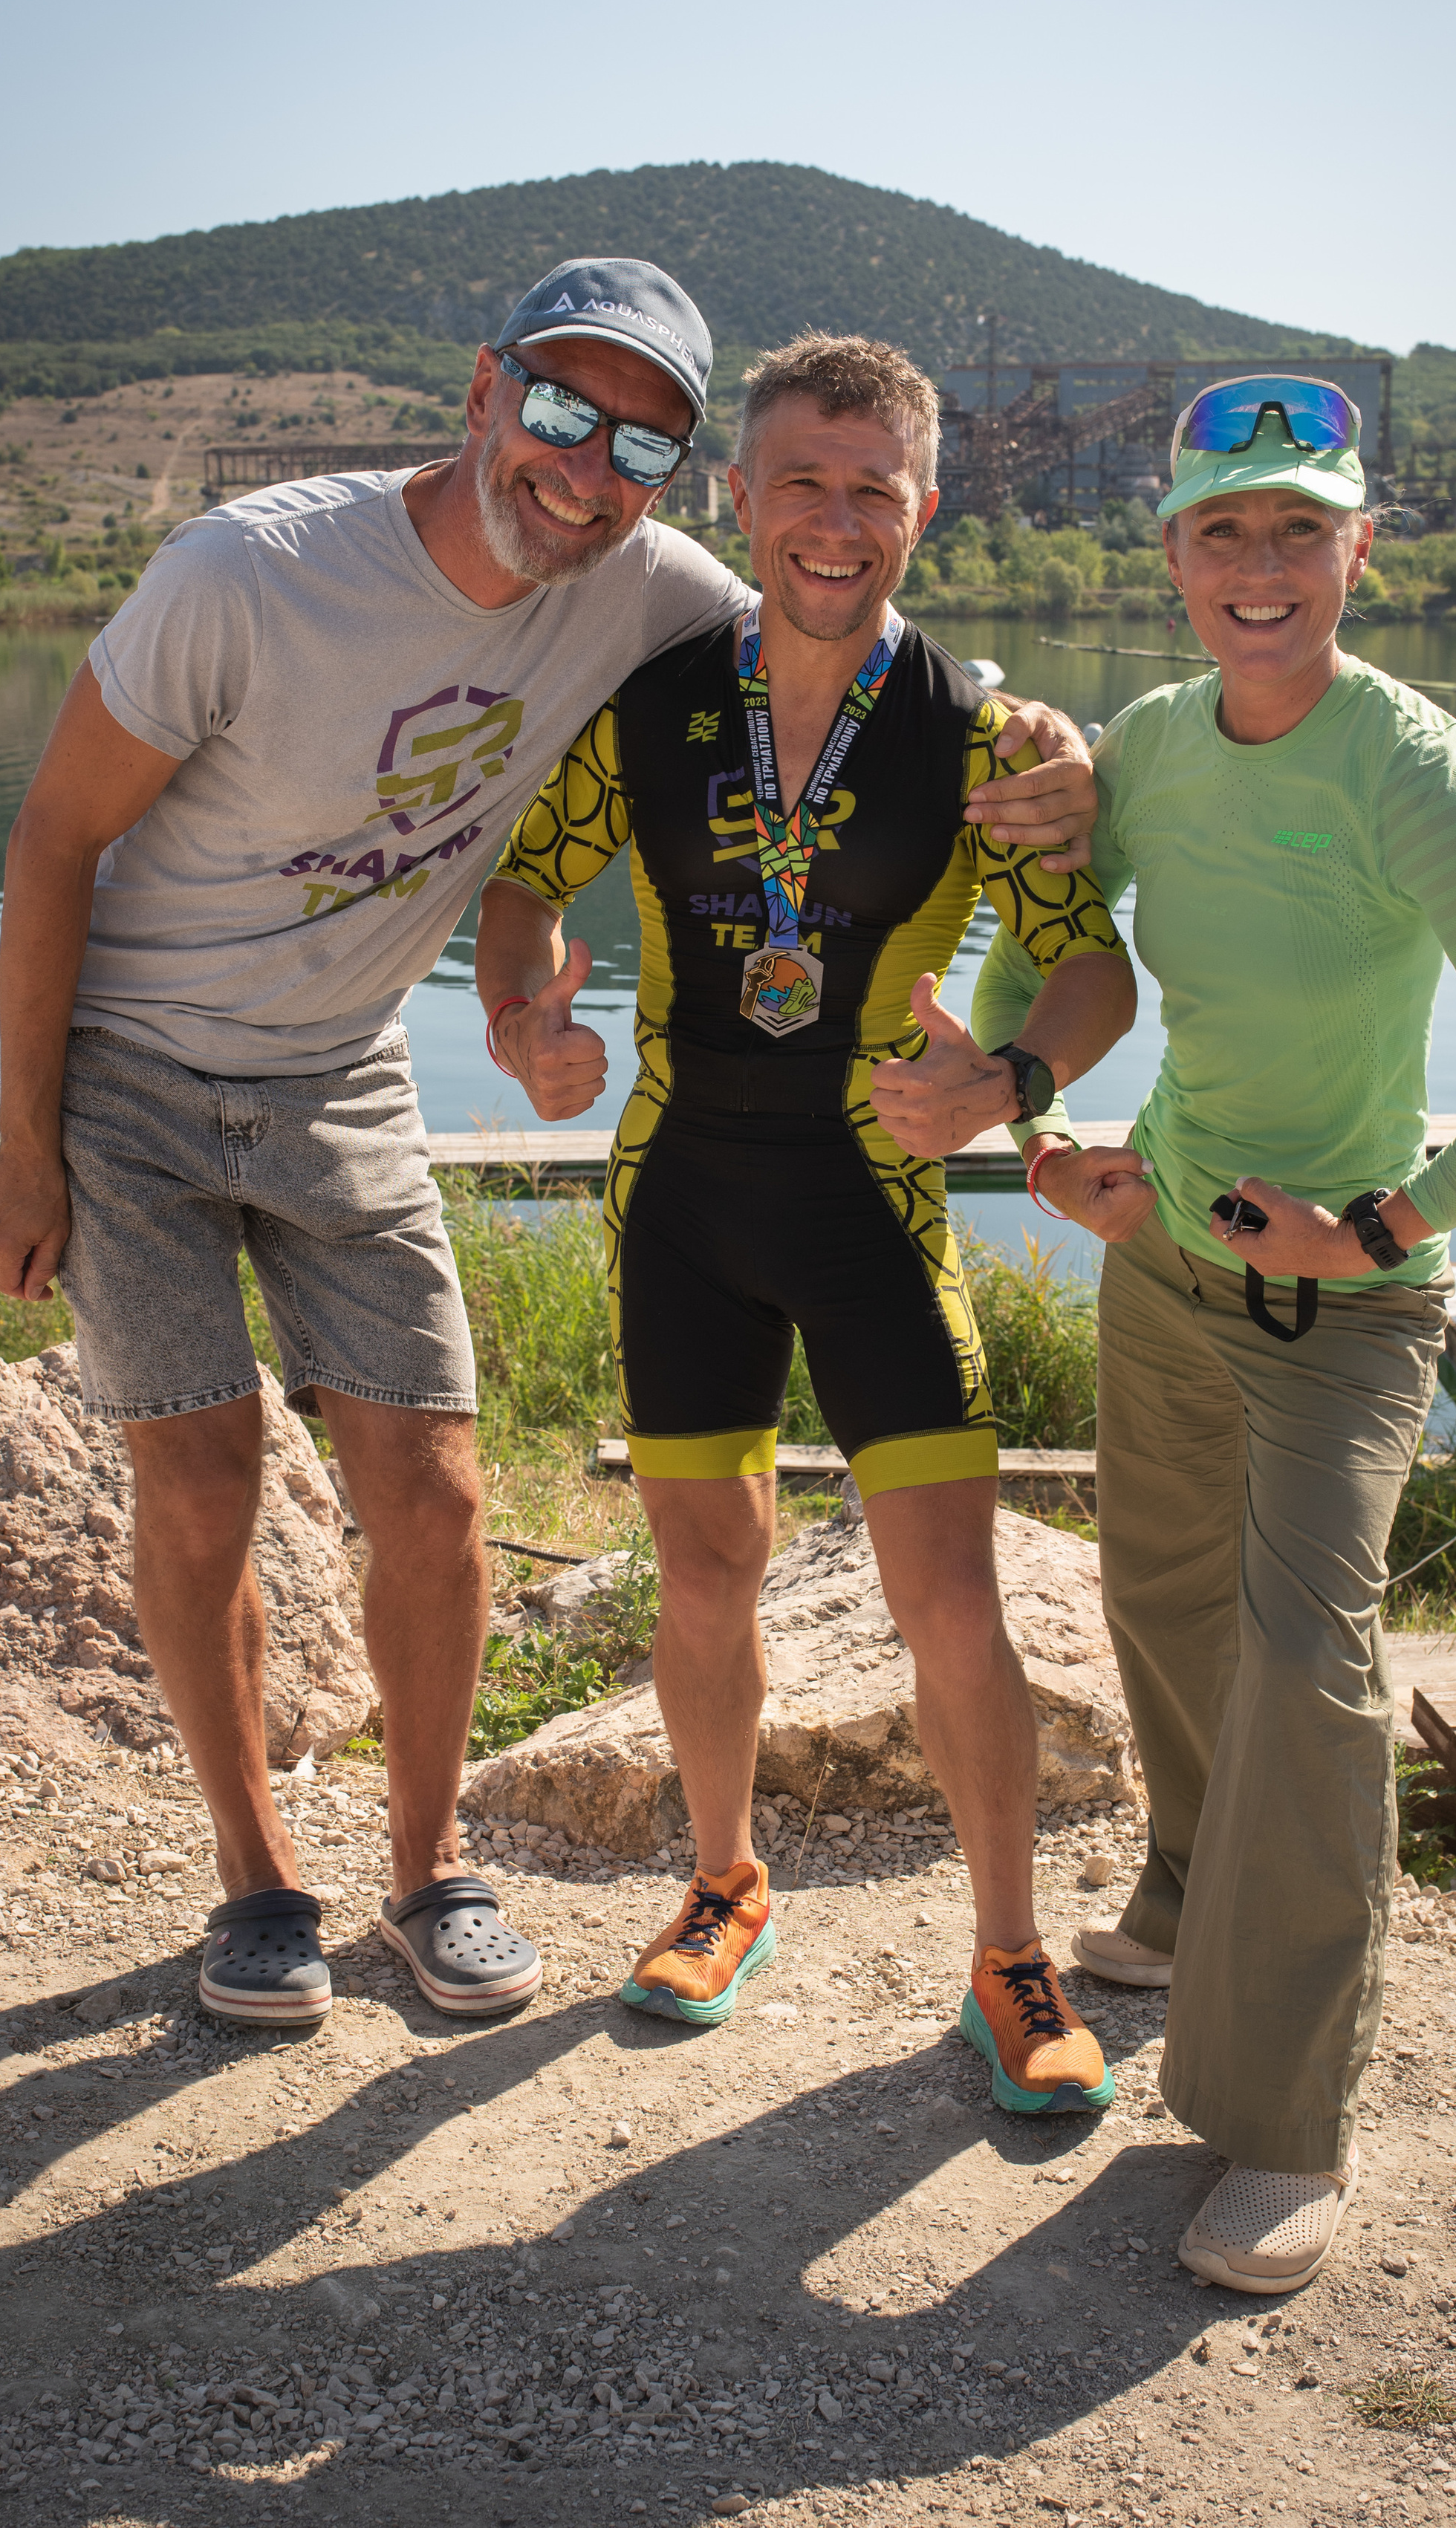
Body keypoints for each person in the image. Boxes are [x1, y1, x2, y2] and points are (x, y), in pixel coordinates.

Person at [0, 257, 1096, 2035]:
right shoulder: (285, 586)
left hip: (437, 1097)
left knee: (474, 1501)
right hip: (193, 1087)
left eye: (638, 437)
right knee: (218, 1485)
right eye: (564, 410)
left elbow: (913, 727)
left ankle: (478, 1882)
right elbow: (77, 841)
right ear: (487, 391)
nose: (587, 462)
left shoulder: (778, 642)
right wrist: (29, 1136)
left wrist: (1049, 824)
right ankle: (301, 1886)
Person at [972, 375, 1456, 2277]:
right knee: (1160, 1598)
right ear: (1170, 555)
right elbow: (1047, 949)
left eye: (1295, 529)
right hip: (1165, 1261)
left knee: (1306, 1664)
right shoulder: (1150, 749)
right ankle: (1184, 1892)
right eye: (1218, 531)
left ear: (1357, 549)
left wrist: (1383, 1227)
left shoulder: (1400, 762)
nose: (1256, 566)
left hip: (1347, 1314)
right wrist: (1042, 1125)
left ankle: (1283, 2123)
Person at [479, 332, 1137, 2112]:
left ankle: (1007, 1953)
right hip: (682, 1188)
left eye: (871, 490)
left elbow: (1090, 969)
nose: (832, 523)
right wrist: (524, 1011)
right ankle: (721, 1877)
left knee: (945, 1595)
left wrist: (1003, 1078)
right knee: (706, 1569)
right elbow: (529, 884)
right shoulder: (651, 706)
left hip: (871, 1207)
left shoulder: (990, 746)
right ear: (739, 498)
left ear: (920, 508)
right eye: (800, 483)